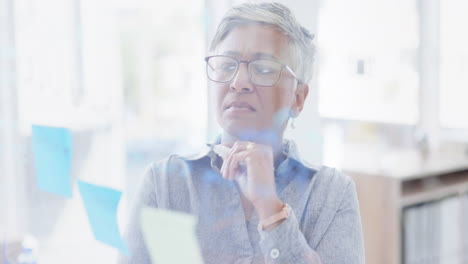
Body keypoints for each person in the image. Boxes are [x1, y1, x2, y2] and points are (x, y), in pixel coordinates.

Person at [119, 2, 365, 264]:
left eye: (264, 68)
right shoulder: (165, 185)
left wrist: (271, 209)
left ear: (298, 97)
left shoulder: (331, 194)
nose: (238, 83)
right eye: (226, 65)